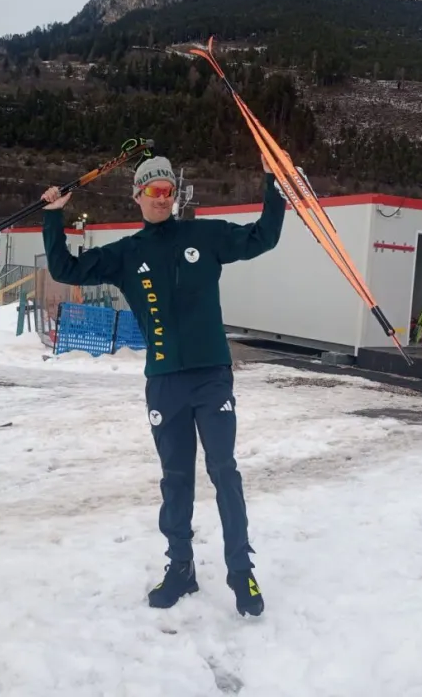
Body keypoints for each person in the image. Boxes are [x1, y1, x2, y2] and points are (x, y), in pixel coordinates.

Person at [41, 153, 285, 617]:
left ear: (176, 195)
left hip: (212, 375)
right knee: (176, 480)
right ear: (136, 195)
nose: (160, 198)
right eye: (151, 190)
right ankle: (181, 569)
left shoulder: (205, 236)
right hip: (165, 383)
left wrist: (273, 183)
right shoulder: (126, 253)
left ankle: (240, 571)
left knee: (224, 472)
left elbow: (262, 237)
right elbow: (66, 270)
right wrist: (54, 217)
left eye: (168, 190)